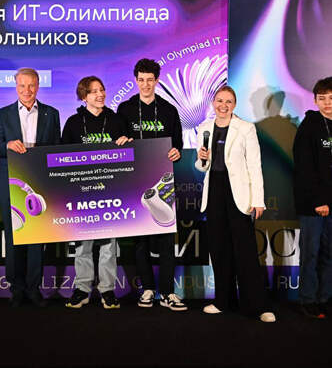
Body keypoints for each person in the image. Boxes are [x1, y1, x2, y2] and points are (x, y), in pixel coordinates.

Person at [195, 85, 276, 322]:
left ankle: (259, 307)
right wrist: (202, 159)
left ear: (234, 105)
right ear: (213, 103)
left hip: (239, 195)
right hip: (214, 192)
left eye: (228, 101)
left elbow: (255, 166)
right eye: (220, 101)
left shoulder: (246, 128)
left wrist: (258, 199)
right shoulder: (204, 128)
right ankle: (223, 301)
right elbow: (202, 167)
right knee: (219, 250)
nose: (223, 105)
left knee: (246, 252)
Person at [116, 58, 187, 311]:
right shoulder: (124, 109)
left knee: (166, 239)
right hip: (135, 180)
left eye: (150, 80)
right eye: (141, 80)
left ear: (157, 81)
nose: (145, 84)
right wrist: (120, 141)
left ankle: (168, 292)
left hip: (163, 180)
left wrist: (177, 152)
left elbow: (177, 144)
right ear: (136, 81)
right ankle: (147, 289)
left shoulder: (169, 110)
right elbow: (117, 143)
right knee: (140, 240)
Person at [0, 68, 61, 307]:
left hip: (39, 183)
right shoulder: (3, 114)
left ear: (38, 86)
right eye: (22, 86)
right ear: (16, 86)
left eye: (31, 85)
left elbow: (57, 148)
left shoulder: (52, 114)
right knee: (13, 237)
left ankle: (34, 289)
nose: (27, 90)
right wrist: (8, 145)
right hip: (10, 181)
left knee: (36, 238)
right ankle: (16, 289)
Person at [61, 76, 130, 309]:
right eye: (93, 91)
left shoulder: (116, 120)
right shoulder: (73, 122)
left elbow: (129, 156)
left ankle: (107, 290)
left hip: (111, 191)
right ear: (84, 96)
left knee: (109, 244)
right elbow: (62, 159)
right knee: (83, 244)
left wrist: (127, 143)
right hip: (81, 192)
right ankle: (82, 289)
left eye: (102, 90)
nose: (100, 95)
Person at [293, 77, 332, 319]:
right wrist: (319, 200)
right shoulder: (309, 126)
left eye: (331, 98)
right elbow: (304, 168)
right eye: (322, 98)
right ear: (316, 100)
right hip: (313, 205)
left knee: (330, 254)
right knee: (311, 253)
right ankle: (308, 299)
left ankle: (325, 298)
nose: (327, 103)